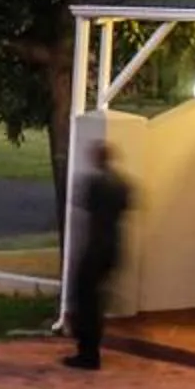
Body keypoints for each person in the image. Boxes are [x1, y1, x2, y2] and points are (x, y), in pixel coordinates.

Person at [65, 140, 133, 370]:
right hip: (114, 246)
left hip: (95, 247)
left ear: (97, 158)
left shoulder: (94, 183)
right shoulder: (123, 183)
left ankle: (88, 353)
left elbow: (82, 205)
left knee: (85, 300)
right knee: (96, 300)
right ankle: (90, 349)